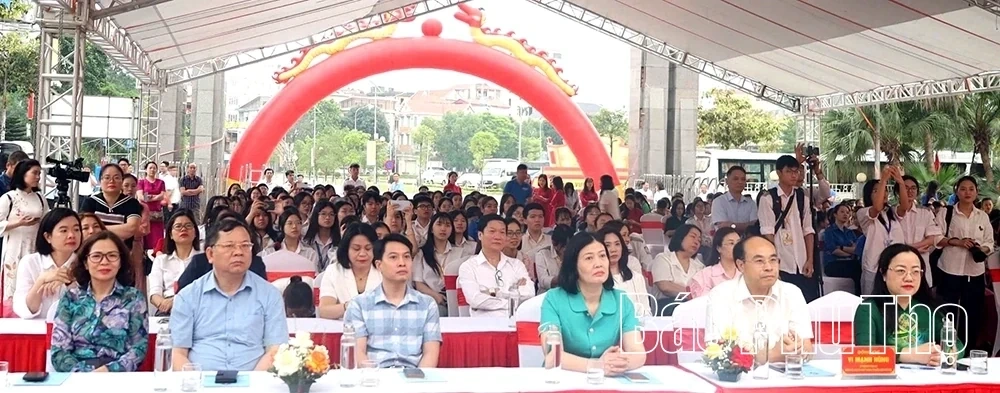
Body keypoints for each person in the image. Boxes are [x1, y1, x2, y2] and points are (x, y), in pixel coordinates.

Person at [170, 219, 288, 371]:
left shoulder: (270, 295)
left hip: (254, 380)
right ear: (210, 254)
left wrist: (253, 382)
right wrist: (194, 381)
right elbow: (178, 353)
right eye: (229, 246)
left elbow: (275, 350)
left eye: (245, 246)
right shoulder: (188, 297)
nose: (239, 252)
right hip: (200, 379)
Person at [539, 232, 646, 374]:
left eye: (602, 256)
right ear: (573, 265)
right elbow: (552, 355)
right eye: (589, 258)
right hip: (562, 378)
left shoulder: (622, 300)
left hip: (606, 379)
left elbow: (638, 354)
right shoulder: (554, 299)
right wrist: (597, 366)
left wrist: (618, 363)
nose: (598, 264)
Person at [50, 231, 147, 372]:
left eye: (112, 256)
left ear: (120, 262)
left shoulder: (133, 298)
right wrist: (85, 374)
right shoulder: (71, 298)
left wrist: (108, 371)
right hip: (77, 377)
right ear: (86, 263)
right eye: (96, 256)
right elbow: (59, 351)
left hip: (117, 376)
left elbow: (139, 349)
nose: (104, 262)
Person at [705, 236, 814, 362]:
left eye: (773, 260)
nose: (769, 267)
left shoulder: (792, 293)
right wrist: (770, 356)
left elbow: (806, 347)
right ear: (741, 265)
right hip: (742, 374)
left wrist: (799, 349)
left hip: (786, 371)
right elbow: (718, 352)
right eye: (759, 261)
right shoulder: (721, 295)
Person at [853, 244, 962, 366]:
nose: (909, 278)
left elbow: (956, 344)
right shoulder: (868, 309)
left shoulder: (929, 308)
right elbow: (864, 352)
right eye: (901, 271)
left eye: (915, 271)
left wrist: (945, 355)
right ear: (883, 273)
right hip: (887, 376)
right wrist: (908, 355)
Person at [345, 234, 442, 368]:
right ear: (379, 265)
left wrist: (418, 379)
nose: (402, 263)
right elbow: (358, 353)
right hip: (374, 376)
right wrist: (375, 378)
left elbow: (430, 353)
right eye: (393, 257)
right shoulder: (359, 304)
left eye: (406, 257)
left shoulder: (427, 304)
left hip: (414, 376)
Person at [934, 176, 993, 351]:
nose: (967, 192)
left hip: (974, 272)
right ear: (957, 191)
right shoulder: (946, 213)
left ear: (976, 192)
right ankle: (945, 350)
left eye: (971, 189)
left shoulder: (982, 216)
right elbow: (936, 238)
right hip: (949, 269)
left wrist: (981, 249)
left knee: (972, 314)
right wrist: (957, 242)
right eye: (963, 189)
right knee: (947, 312)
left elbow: (989, 242)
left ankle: (968, 352)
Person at [758, 155, 819, 302]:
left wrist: (810, 260)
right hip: (782, 262)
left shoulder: (802, 198)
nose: (793, 175)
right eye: (789, 171)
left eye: (796, 171)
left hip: (802, 261)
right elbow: (768, 234)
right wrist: (772, 263)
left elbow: (808, 230)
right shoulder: (768, 198)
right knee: (781, 303)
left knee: (806, 302)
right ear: (779, 173)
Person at [457, 215, 535, 317]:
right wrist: (512, 296)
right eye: (492, 231)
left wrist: (493, 294)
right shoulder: (468, 267)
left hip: (516, 321)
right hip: (484, 324)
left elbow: (529, 294)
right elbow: (475, 300)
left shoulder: (517, 265)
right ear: (480, 235)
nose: (497, 237)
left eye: (502, 232)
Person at [0, 159, 48, 316]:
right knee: (12, 283)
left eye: (39, 173)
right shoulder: (8, 198)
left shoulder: (40, 198)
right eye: (34, 173)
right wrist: (18, 223)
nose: (38, 177)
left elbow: (47, 221)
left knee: (33, 281)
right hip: (15, 247)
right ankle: (10, 317)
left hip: (35, 246)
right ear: (22, 174)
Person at [13, 208, 80, 319]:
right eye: (64, 230)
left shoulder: (85, 263)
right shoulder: (30, 262)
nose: (71, 235)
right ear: (48, 237)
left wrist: (70, 283)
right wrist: (41, 280)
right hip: (36, 328)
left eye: (76, 229)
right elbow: (23, 310)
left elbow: (89, 309)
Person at [318, 223, 382, 319]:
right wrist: (350, 306)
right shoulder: (334, 271)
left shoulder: (384, 269)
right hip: (343, 326)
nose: (362, 253)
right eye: (356, 249)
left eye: (368, 248)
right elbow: (324, 311)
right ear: (346, 249)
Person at [147, 209, 200, 316]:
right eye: (178, 226)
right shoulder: (161, 260)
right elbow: (154, 293)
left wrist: (177, 301)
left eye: (188, 225)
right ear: (170, 234)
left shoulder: (204, 259)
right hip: (168, 309)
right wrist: (164, 304)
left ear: (195, 233)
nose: (183, 229)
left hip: (198, 307)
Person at [413, 213, 464, 316]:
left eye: (447, 225)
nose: (443, 229)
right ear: (431, 229)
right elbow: (418, 284)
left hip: (454, 298)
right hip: (430, 299)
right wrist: (435, 296)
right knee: (439, 311)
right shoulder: (421, 253)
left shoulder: (460, 253)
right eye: (439, 224)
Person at [599, 227, 651, 317]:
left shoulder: (636, 277)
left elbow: (646, 312)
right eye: (607, 245)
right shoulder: (595, 280)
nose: (613, 249)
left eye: (617, 244)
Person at [688, 227, 740, 298]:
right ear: (719, 248)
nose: (737, 247)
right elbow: (701, 302)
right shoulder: (705, 275)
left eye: (739, 243)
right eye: (731, 243)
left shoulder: (747, 272)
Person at [710, 166, 758, 235]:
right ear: (727, 181)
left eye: (743, 179)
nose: (740, 182)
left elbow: (753, 226)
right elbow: (723, 228)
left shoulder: (751, 203)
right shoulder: (718, 202)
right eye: (735, 179)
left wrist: (731, 225)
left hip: (747, 240)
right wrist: (745, 225)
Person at [136, 161, 167, 251]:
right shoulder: (141, 182)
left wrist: (151, 198)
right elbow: (140, 196)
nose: (152, 170)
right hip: (145, 213)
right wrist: (154, 197)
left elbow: (162, 195)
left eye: (154, 168)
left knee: (157, 237)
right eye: (150, 168)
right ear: (146, 170)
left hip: (157, 214)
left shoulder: (161, 182)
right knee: (145, 235)